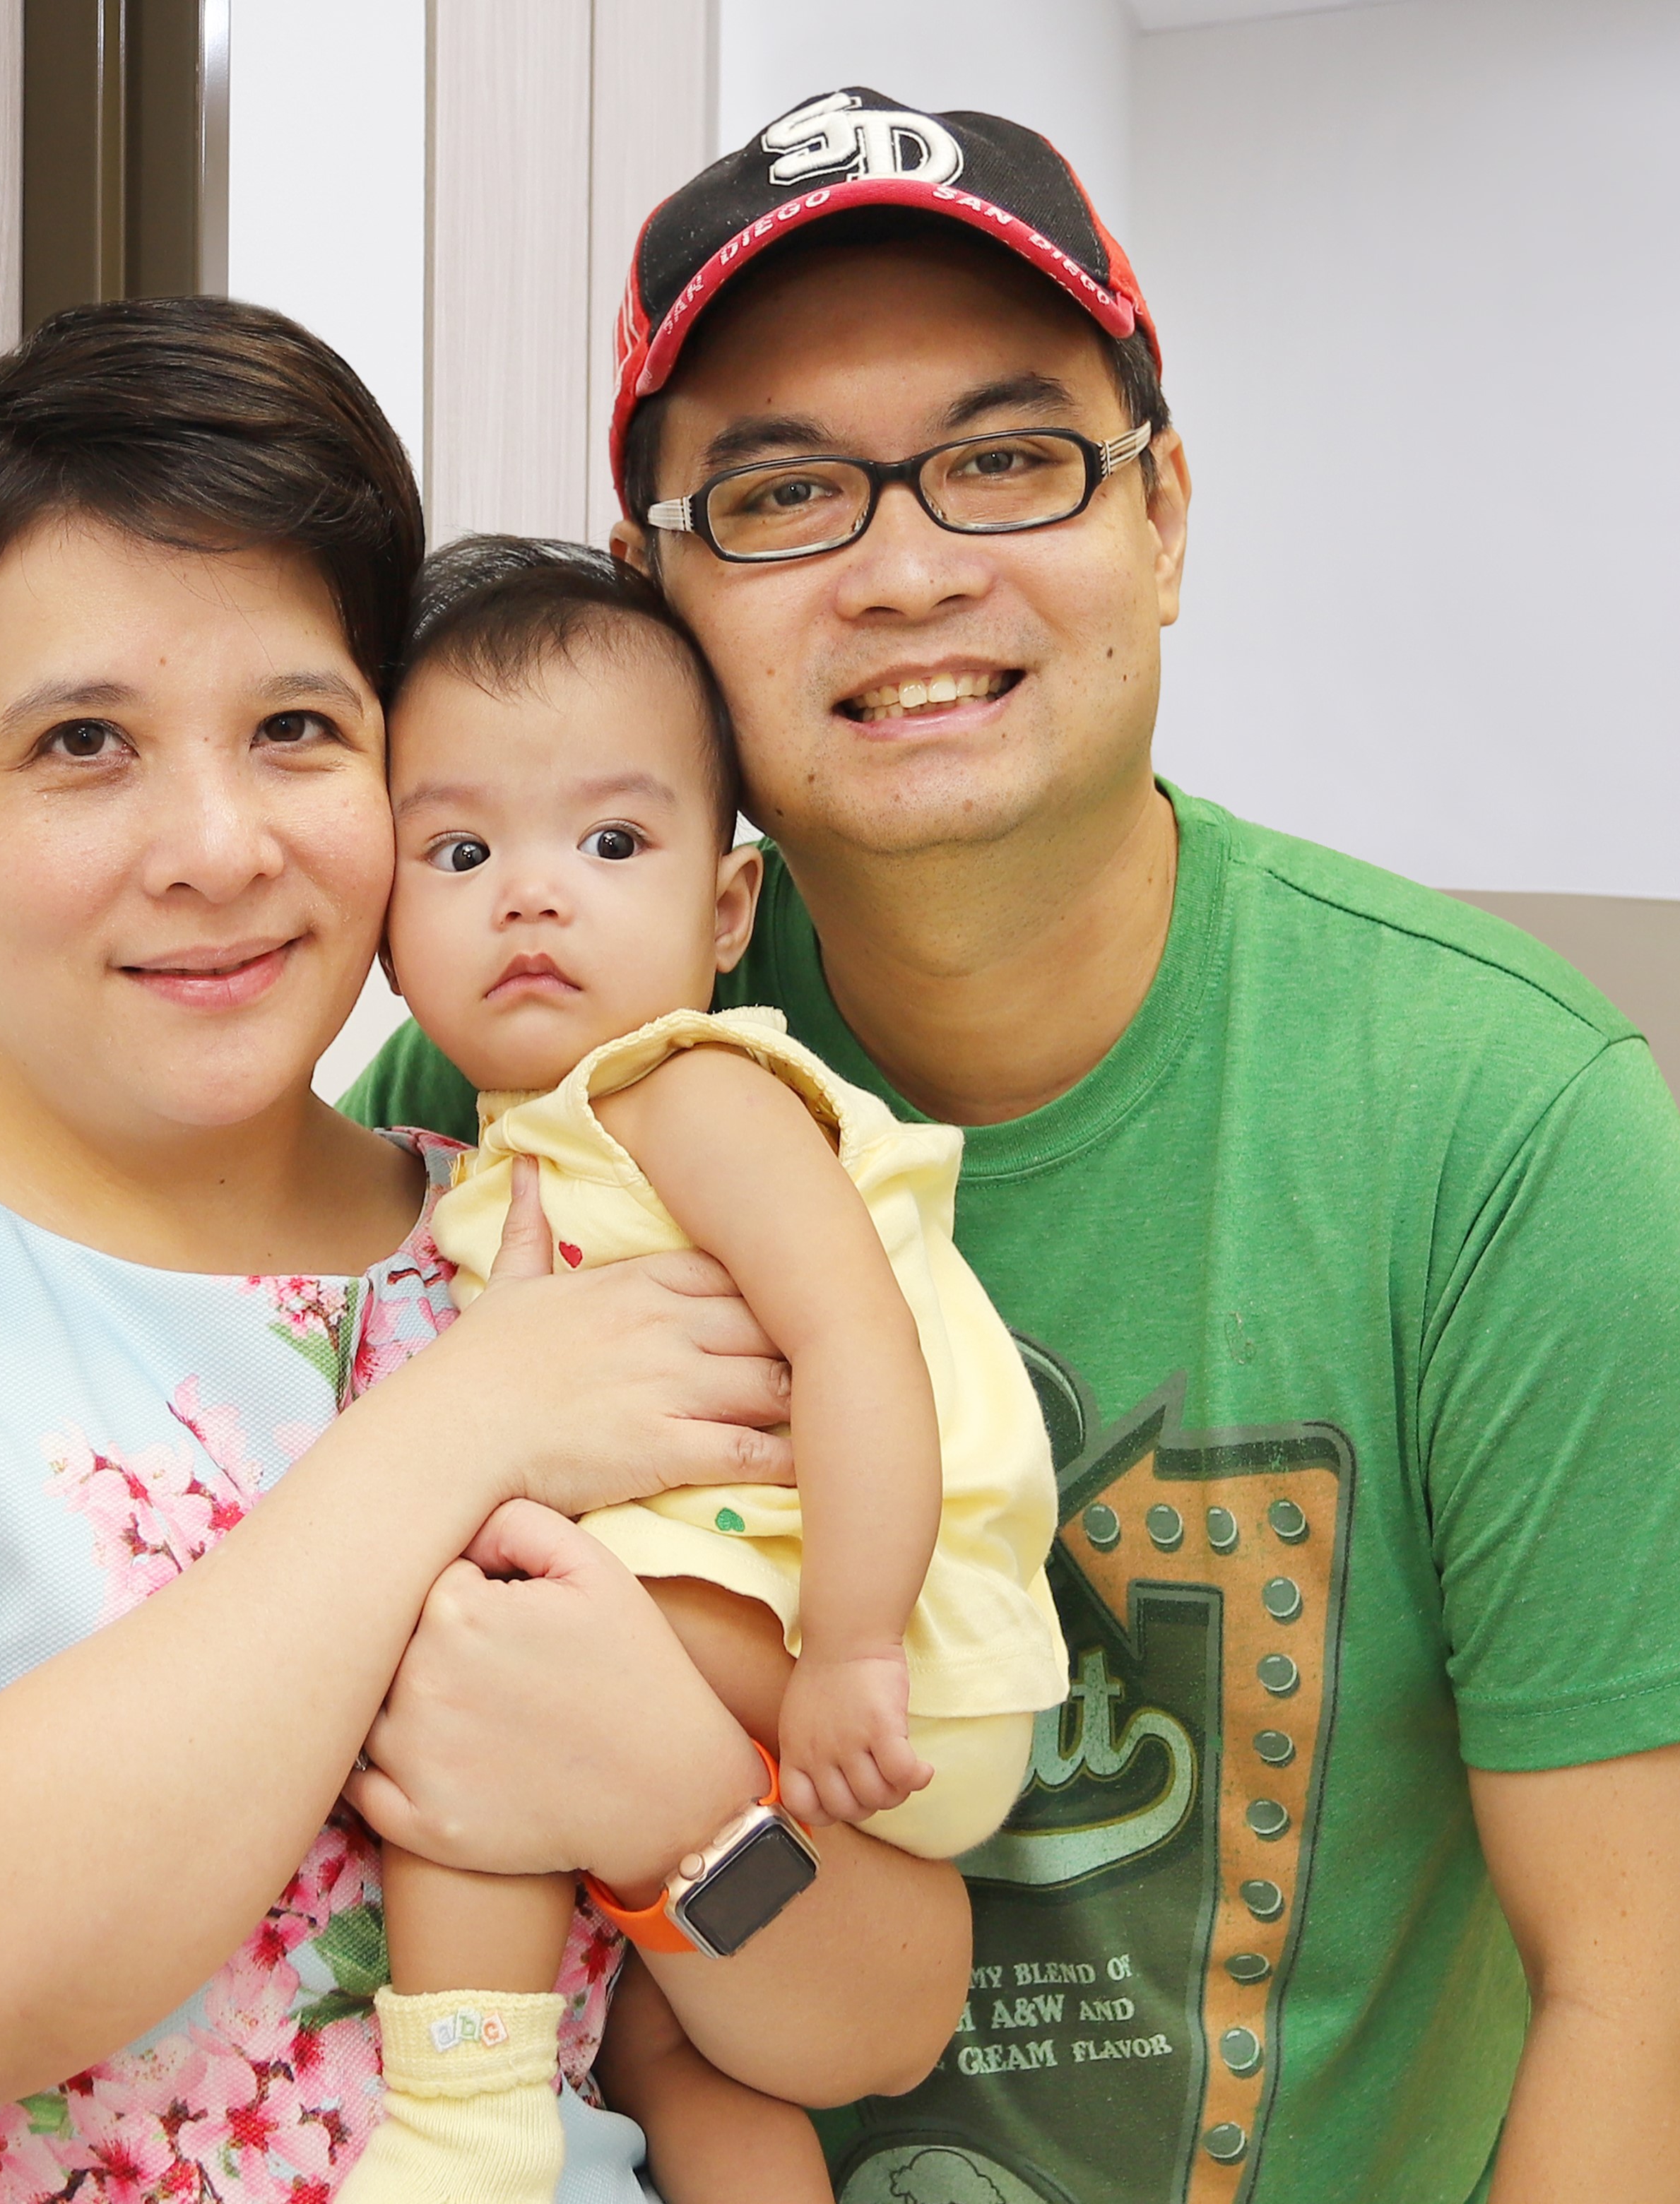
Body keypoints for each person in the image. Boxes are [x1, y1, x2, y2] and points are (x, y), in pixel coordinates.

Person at [0, 88, 1680, 2204]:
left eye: (1009, 459)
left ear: (1166, 511)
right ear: (662, 589)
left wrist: (683, 1805)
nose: (908, 570)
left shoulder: (1496, 1120)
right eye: (787, 494)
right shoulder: (504, 1169)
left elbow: (1650, 2000)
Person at [0, 297, 964, 2204]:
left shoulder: (549, 1236)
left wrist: (677, 1806)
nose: (216, 847)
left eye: (296, 730)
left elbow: (878, 2015)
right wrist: (458, 1427)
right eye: (83, 743)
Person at [345, 537, 1067, 2204]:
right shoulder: (499, 1142)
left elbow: (858, 1339)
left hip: (877, 1659)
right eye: (460, 851)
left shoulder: (681, 1091)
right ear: (385, 922)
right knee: (674, 2055)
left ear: (727, 907)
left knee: (466, 1639)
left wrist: (855, 1649)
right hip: (811, 1659)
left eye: (611, 842)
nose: (532, 894)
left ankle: (462, 2115)